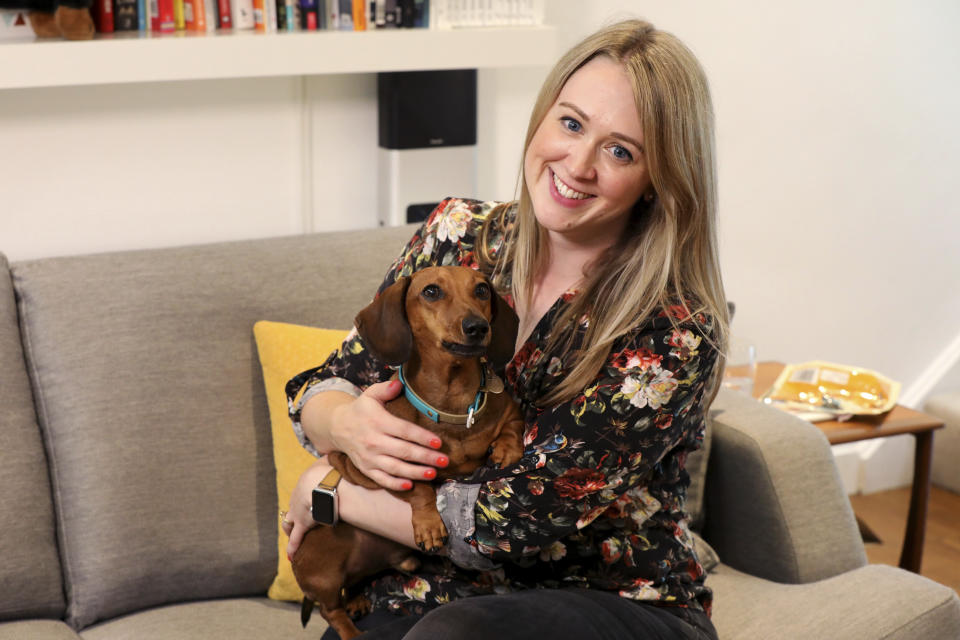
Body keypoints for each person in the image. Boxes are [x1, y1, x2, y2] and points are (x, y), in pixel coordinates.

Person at [282, 18, 728, 640]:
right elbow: (323, 384)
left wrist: (325, 494)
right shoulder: (458, 233)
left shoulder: (674, 330)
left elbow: (498, 527)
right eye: (571, 123)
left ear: (660, 180)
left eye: (620, 149)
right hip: (434, 585)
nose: (577, 163)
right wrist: (341, 422)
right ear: (542, 116)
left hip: (614, 602)